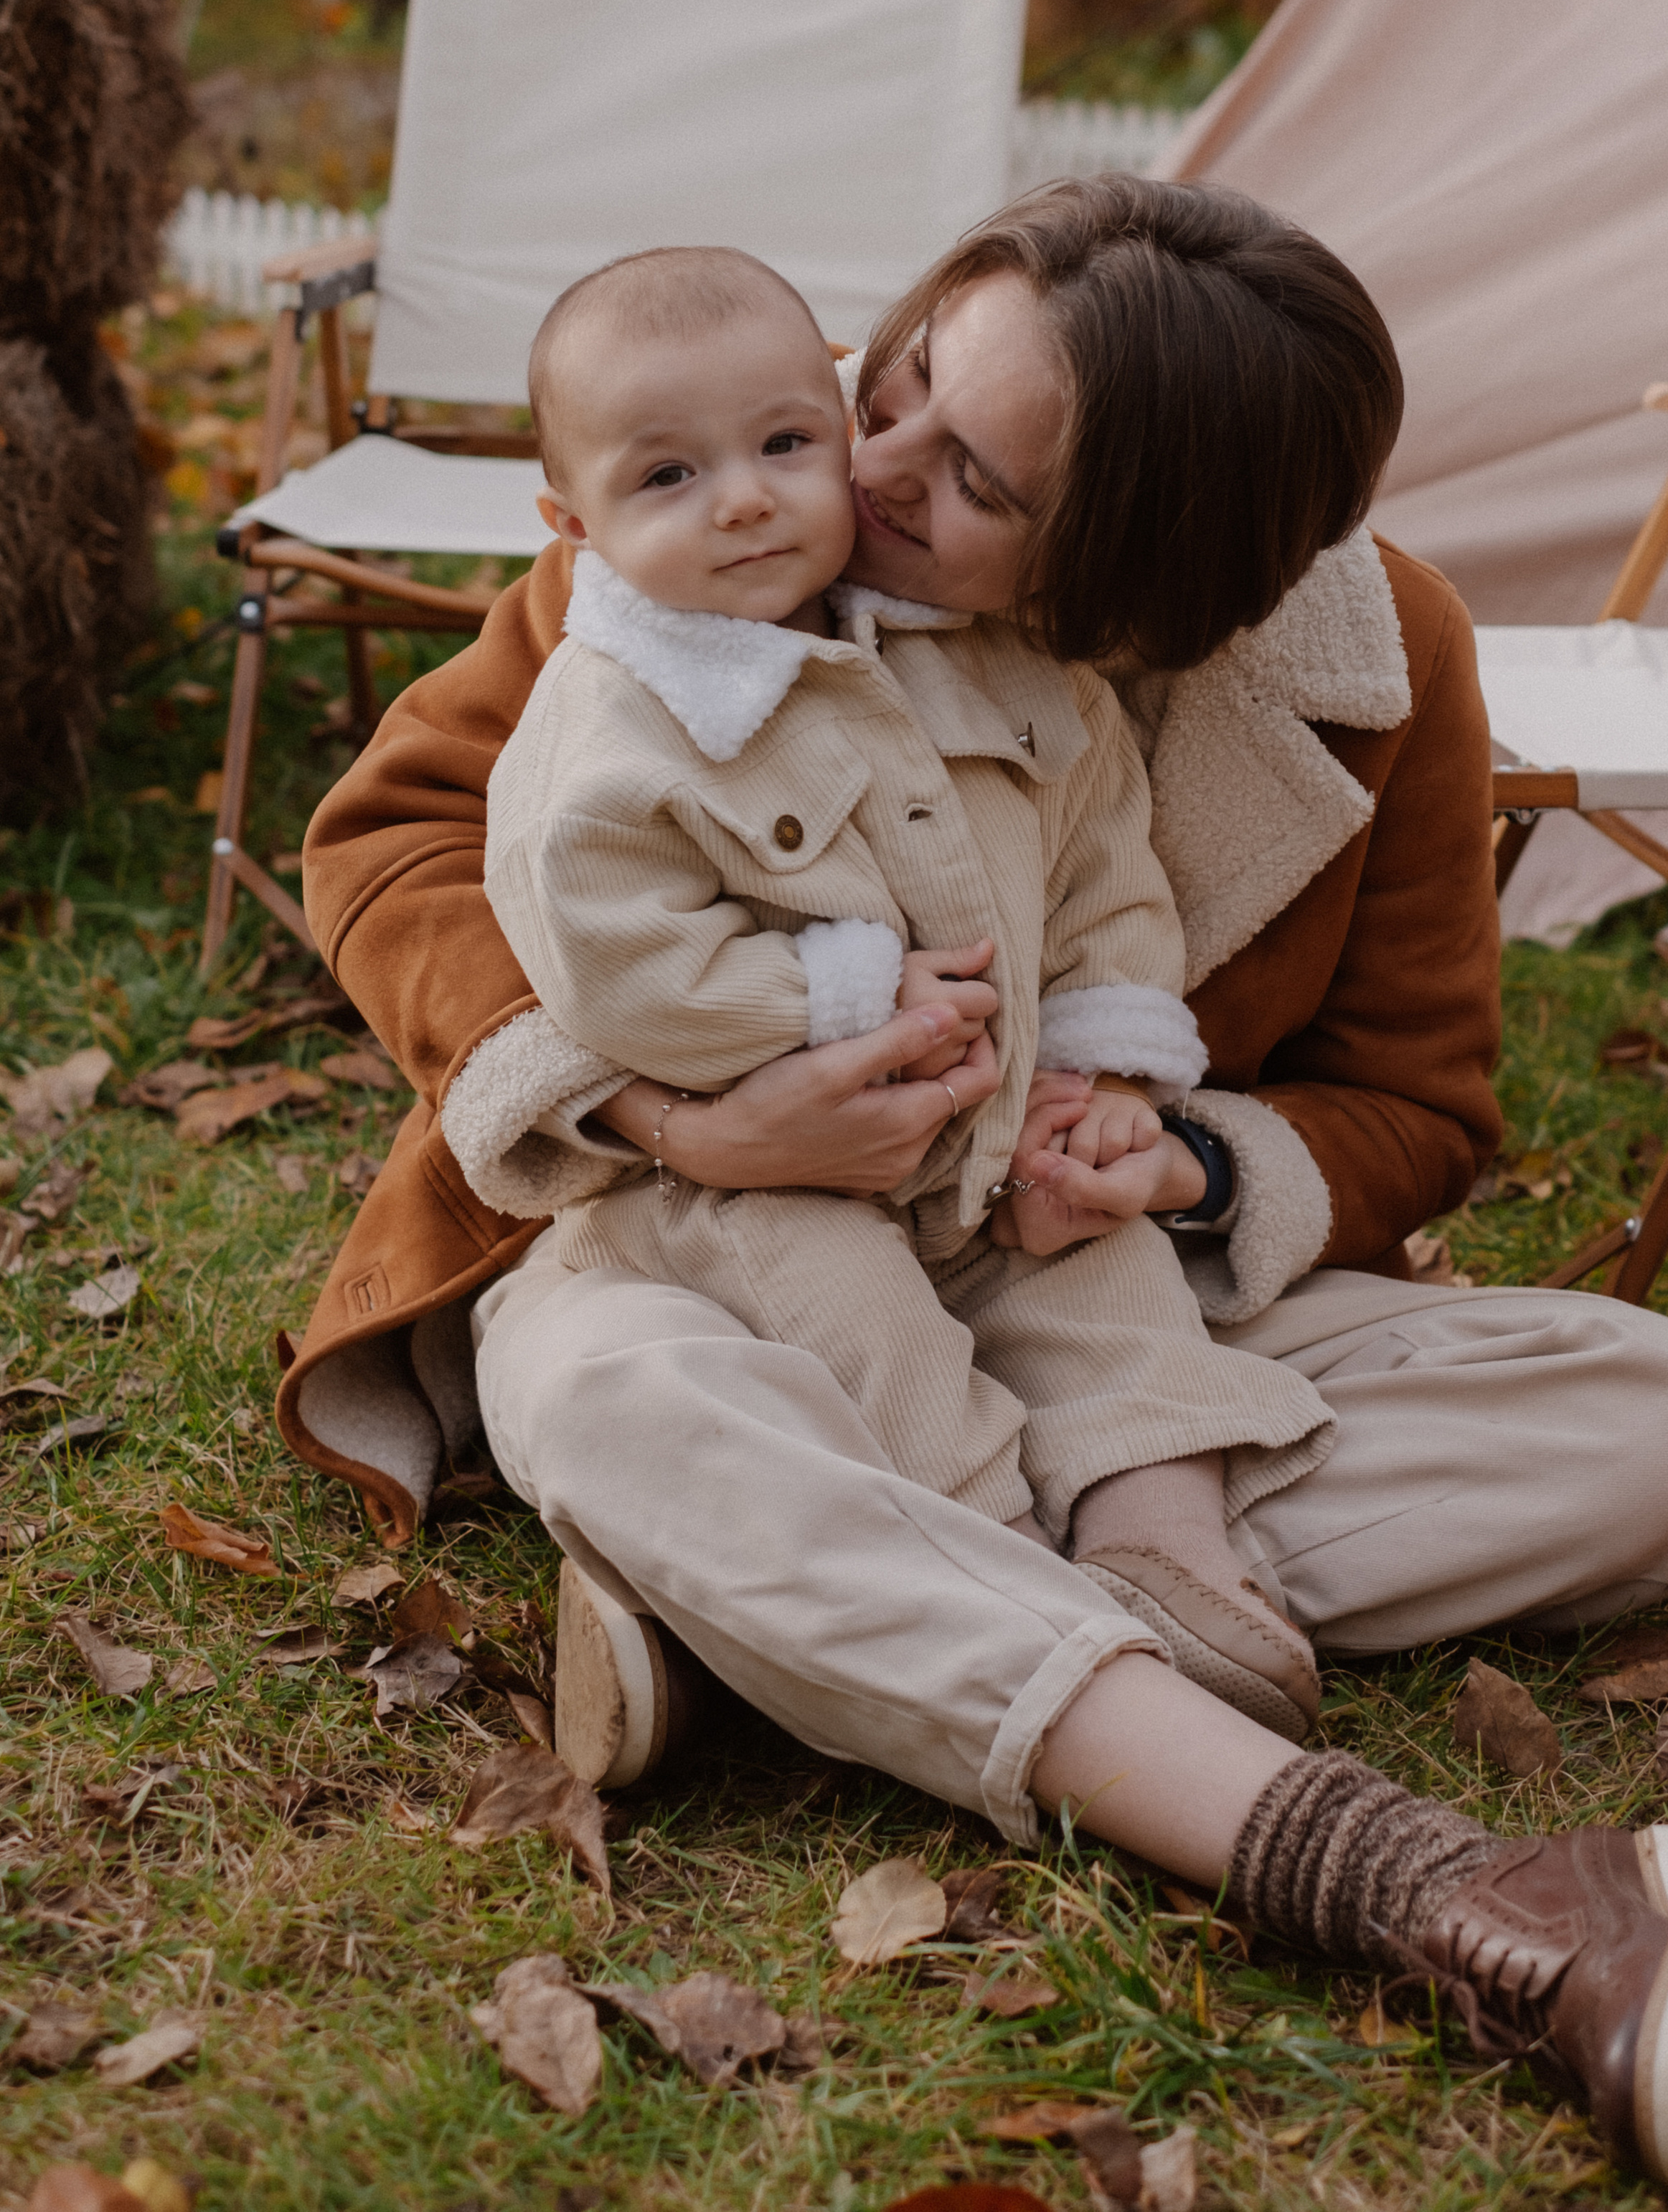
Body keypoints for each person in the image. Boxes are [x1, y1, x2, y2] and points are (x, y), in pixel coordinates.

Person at [290, 181, 1668, 2194]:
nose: (863, 467)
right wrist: (677, 1120)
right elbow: (393, 844)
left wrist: (1183, 1152)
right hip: (704, 1260)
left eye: (969, 473)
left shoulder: (1377, 654)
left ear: (1145, 594)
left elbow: (1418, 1098)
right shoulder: (707, 539)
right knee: (627, 1395)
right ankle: (1395, 1873)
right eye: (892, 380)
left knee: (1654, 1421)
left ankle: (754, 1618)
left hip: (1076, 1270)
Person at [476, 240, 1323, 1734]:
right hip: (748, 1203)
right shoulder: (622, 696)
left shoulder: (993, 664)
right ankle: (1008, 1573)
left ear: (1095, 553)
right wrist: (806, 1018)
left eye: (788, 442)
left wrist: (1113, 1092)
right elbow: (600, 941)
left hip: (985, 1169)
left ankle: (1154, 1545)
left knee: (1119, 1290)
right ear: (575, 523)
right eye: (902, 383)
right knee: (852, 1340)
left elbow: (1100, 878)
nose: (792, 488)